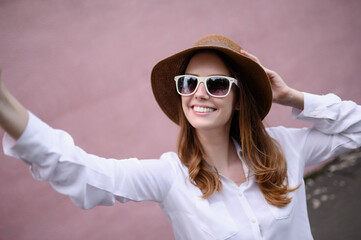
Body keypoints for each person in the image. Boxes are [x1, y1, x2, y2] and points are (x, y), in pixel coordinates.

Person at [1, 34, 360, 240]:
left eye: (217, 84)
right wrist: (7, 110)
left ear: (238, 102)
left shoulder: (285, 148)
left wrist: (292, 97)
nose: (199, 93)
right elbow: (78, 169)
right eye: (189, 83)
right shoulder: (170, 177)